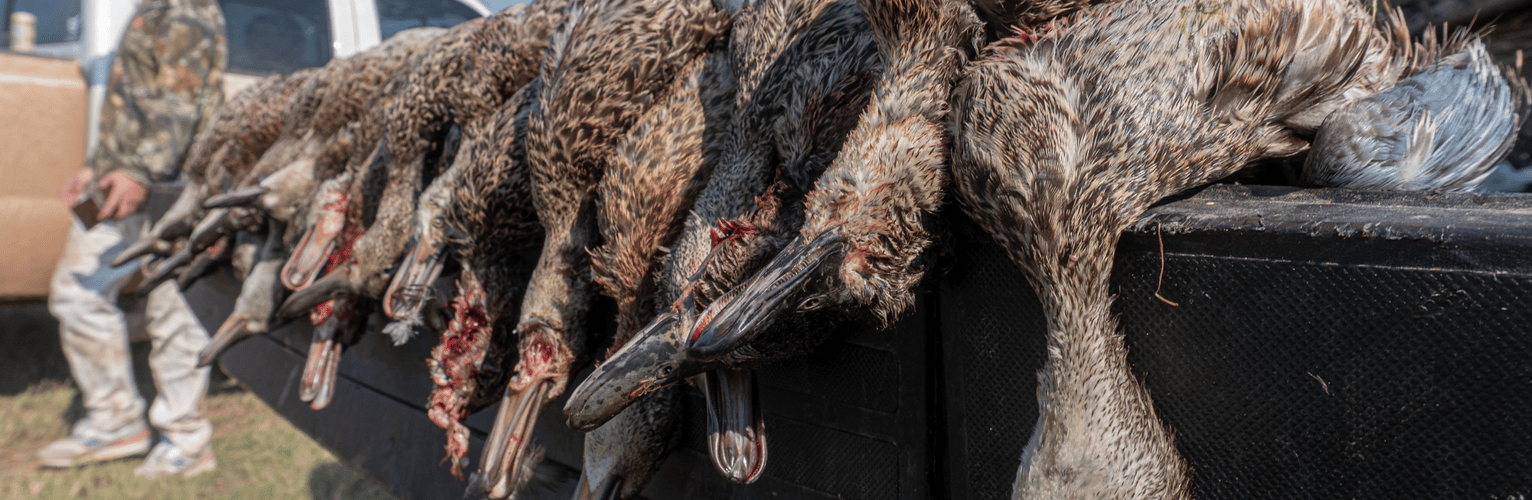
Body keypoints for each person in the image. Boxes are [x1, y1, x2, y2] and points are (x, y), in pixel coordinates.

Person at [37, 0, 226, 479]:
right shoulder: (151, 9)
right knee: (77, 289)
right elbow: (130, 103)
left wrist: (139, 172)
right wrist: (95, 168)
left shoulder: (187, 12)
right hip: (127, 179)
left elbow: (178, 105)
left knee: (173, 310)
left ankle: (187, 441)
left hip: (177, 188)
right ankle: (117, 421)